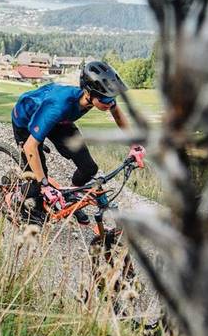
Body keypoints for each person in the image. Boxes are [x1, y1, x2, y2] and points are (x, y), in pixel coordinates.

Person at [10, 60, 130, 224]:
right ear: (88, 92)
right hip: (25, 121)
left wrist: (134, 144)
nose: (110, 103)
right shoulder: (58, 106)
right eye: (105, 98)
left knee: (89, 168)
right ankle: (14, 198)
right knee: (38, 179)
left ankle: (70, 198)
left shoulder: (99, 98)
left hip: (60, 122)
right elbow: (30, 146)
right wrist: (45, 185)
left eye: (112, 98)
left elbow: (118, 115)